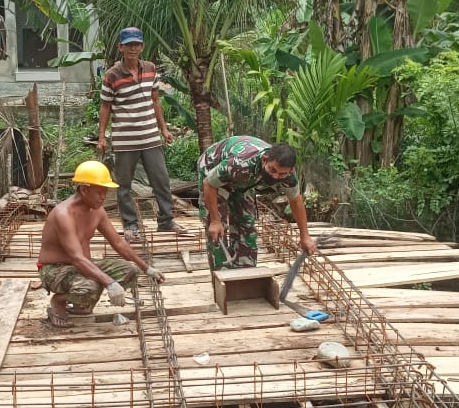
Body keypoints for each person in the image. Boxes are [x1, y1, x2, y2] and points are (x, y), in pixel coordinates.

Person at [37, 160, 165, 327]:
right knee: (90, 287)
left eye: (105, 191)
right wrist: (109, 283)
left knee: (130, 271)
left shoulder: (97, 211)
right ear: (84, 190)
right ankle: (59, 301)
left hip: (82, 266)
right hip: (54, 270)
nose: (103, 197)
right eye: (99, 192)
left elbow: (118, 243)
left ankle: (82, 303)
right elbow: (76, 257)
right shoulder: (63, 214)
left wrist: (146, 268)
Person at [97, 26, 188, 242]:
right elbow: (105, 107)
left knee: (161, 180)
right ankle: (130, 226)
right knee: (124, 185)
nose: (133, 48)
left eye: (136, 44)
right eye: (128, 45)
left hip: (150, 137)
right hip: (124, 140)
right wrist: (101, 135)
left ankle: (166, 221)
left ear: (142, 46)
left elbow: (155, 100)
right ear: (120, 47)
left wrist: (163, 128)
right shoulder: (112, 75)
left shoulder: (150, 68)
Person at [197, 136, 318, 270]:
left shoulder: (289, 175)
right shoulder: (240, 163)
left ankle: (245, 271)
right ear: (264, 160)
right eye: (272, 170)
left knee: (247, 222)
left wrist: (305, 236)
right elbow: (209, 184)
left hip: (244, 180)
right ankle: (221, 275)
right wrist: (215, 220)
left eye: (282, 174)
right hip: (212, 169)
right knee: (217, 230)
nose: (276, 177)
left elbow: (296, 201)